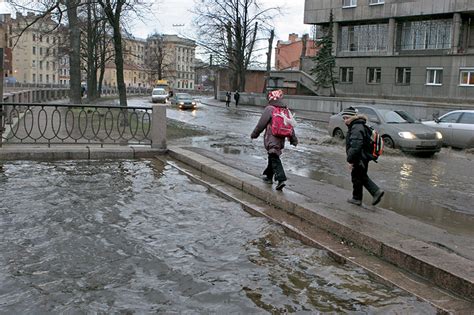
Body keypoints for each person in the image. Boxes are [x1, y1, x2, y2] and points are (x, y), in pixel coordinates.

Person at [250, 89, 297, 191]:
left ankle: (281, 179)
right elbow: (290, 126)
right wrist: (293, 139)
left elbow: (261, 124)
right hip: (281, 138)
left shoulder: (270, 109)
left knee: (274, 157)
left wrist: (254, 134)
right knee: (273, 155)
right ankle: (268, 176)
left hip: (271, 137)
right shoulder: (285, 110)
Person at [342, 107, 384, 206]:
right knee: (360, 176)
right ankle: (361, 196)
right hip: (363, 156)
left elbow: (356, 146)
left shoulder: (356, 127)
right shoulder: (358, 125)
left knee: (357, 177)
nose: (345, 120)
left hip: (360, 157)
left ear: (353, 117)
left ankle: (369, 194)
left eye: (347, 118)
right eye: (344, 118)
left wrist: (350, 160)